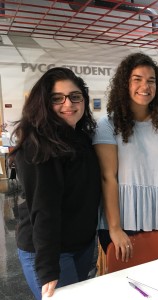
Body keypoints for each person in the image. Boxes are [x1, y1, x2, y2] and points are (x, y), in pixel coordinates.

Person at [10, 67, 101, 299]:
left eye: (74, 96)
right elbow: (44, 210)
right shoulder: (37, 146)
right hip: (49, 250)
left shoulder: (81, 138)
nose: (68, 104)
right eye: (57, 98)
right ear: (43, 103)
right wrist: (48, 268)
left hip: (81, 245)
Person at [93, 53, 158, 262]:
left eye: (151, 81)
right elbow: (109, 178)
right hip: (121, 218)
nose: (145, 86)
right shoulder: (107, 124)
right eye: (137, 79)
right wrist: (114, 228)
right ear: (125, 83)